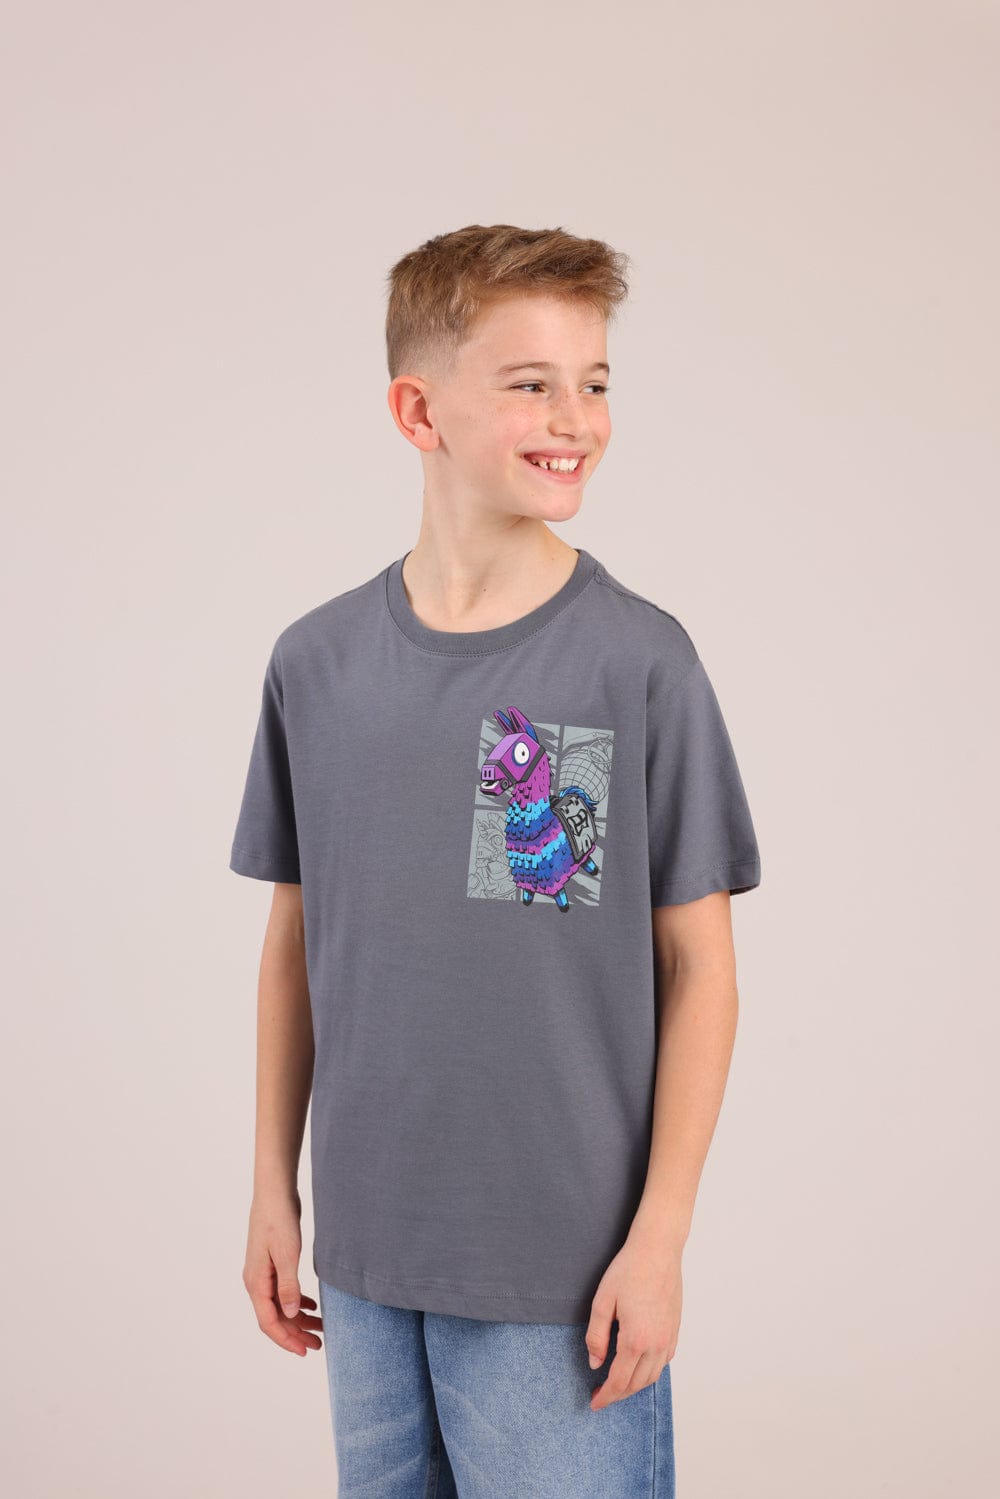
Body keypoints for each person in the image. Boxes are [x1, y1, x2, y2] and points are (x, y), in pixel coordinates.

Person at [229, 223, 762, 1497]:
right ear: (419, 411)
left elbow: (700, 969)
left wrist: (659, 1238)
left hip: (561, 1276)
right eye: (531, 383)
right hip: (365, 1262)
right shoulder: (317, 663)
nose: (575, 417)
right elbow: (299, 944)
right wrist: (271, 1188)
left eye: (595, 381)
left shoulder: (635, 662)